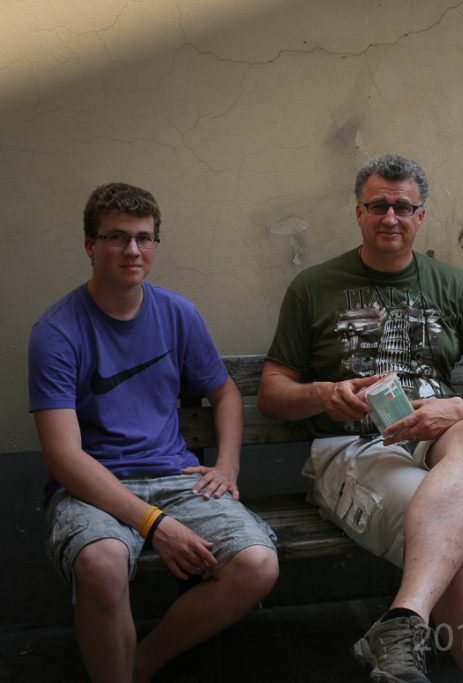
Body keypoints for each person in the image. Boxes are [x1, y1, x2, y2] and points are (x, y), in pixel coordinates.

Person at [257, 154, 463, 683]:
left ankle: (399, 624)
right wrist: (322, 393)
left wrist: (459, 406)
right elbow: (271, 392)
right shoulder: (313, 286)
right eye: (378, 206)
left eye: (403, 207)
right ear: (359, 212)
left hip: (437, 441)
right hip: (357, 448)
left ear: (421, 216)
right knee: (455, 545)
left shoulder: (452, 283)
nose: (390, 217)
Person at [28, 183, 280, 682]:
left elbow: (225, 394)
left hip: (175, 477)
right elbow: (63, 458)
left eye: (144, 238)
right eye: (117, 237)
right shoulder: (56, 332)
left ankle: (139, 666)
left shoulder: (176, 313)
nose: (132, 250)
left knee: (257, 565)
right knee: (101, 565)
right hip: (93, 486)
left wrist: (227, 465)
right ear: (90, 245)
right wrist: (154, 524)